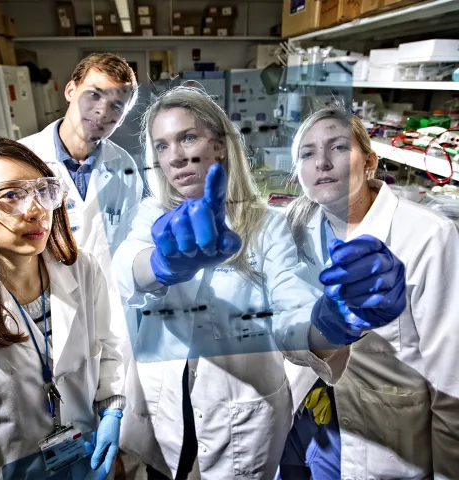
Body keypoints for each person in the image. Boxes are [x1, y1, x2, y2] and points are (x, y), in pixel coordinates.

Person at [112, 87, 406, 480]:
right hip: (164, 413)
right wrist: (165, 264)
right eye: (162, 146)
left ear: (218, 146)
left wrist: (333, 321)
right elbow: (127, 267)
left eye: (188, 137)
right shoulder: (153, 215)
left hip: (242, 421)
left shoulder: (269, 226)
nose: (177, 156)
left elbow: (292, 318)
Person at [281, 108, 459, 479]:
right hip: (300, 424)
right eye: (307, 154)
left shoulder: (428, 236)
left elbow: (451, 382)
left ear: (370, 163)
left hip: (381, 442)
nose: (323, 163)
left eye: (339, 147)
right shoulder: (292, 232)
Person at [0, 137, 126, 479]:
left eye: (42, 191)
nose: (35, 210)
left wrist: (112, 413)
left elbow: (110, 350)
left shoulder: (82, 269)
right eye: (11, 194)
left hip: (85, 460)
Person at [20, 53, 143, 269]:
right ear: (70, 91)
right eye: (94, 95)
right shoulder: (20, 157)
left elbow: (128, 245)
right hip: (42, 296)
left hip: (103, 296)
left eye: (115, 106)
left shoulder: (124, 166)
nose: (101, 111)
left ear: (121, 118)